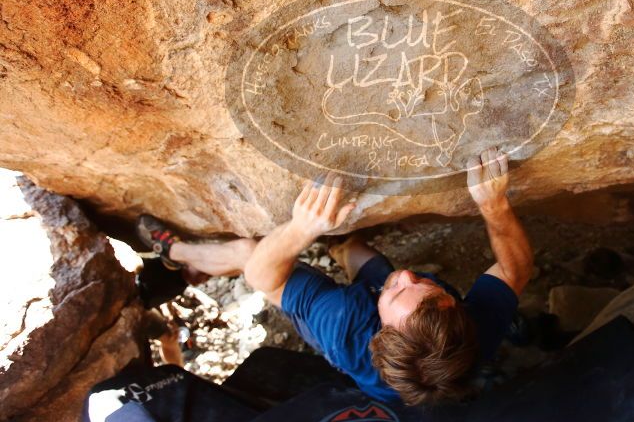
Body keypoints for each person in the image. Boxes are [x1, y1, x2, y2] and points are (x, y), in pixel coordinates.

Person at [136, 147, 534, 405]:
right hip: (391, 332)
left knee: (246, 252)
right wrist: (494, 205)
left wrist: (302, 227)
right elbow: (515, 269)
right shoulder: (469, 335)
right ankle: (338, 246)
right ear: (455, 309)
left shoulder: (342, 320)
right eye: (426, 289)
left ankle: (175, 257)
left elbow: (262, 277)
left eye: (398, 291)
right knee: (353, 247)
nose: (408, 274)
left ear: (381, 326)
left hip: (339, 328)